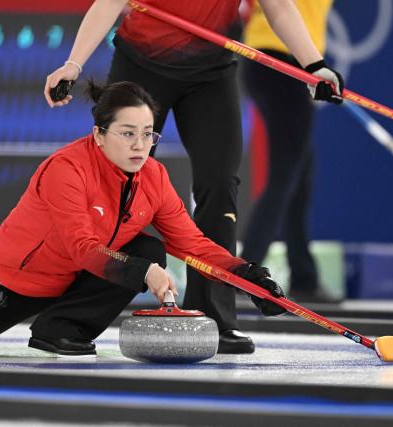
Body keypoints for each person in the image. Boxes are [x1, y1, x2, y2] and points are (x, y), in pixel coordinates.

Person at [0, 81, 286, 357]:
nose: (140, 145)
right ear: (99, 135)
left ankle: (60, 328)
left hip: (76, 278)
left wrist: (248, 277)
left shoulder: (153, 175)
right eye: (127, 133)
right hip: (20, 278)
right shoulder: (67, 169)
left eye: (148, 134)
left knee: (149, 246)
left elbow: (192, 242)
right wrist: (145, 273)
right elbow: (81, 247)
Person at [43, 0, 343, 353]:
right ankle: (67, 322)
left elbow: (279, 7)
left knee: (220, 185)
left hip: (212, 72)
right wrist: (73, 65)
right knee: (116, 185)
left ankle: (214, 321)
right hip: (142, 64)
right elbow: (109, 3)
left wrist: (315, 66)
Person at [240, 0, 340, 303]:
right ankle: (245, 272)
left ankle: (303, 276)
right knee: (286, 172)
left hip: (294, 61)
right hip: (279, 58)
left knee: (300, 171)